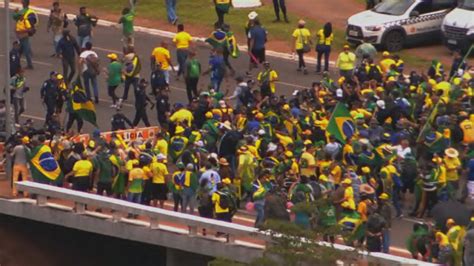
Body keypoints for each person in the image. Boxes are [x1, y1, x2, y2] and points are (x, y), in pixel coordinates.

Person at [13, 0, 37, 69]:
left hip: (24, 36)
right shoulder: (20, 21)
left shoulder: (25, 20)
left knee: (25, 51)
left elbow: (29, 29)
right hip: (20, 37)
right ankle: (18, 64)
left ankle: (29, 65)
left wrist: (21, 31)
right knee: (19, 51)